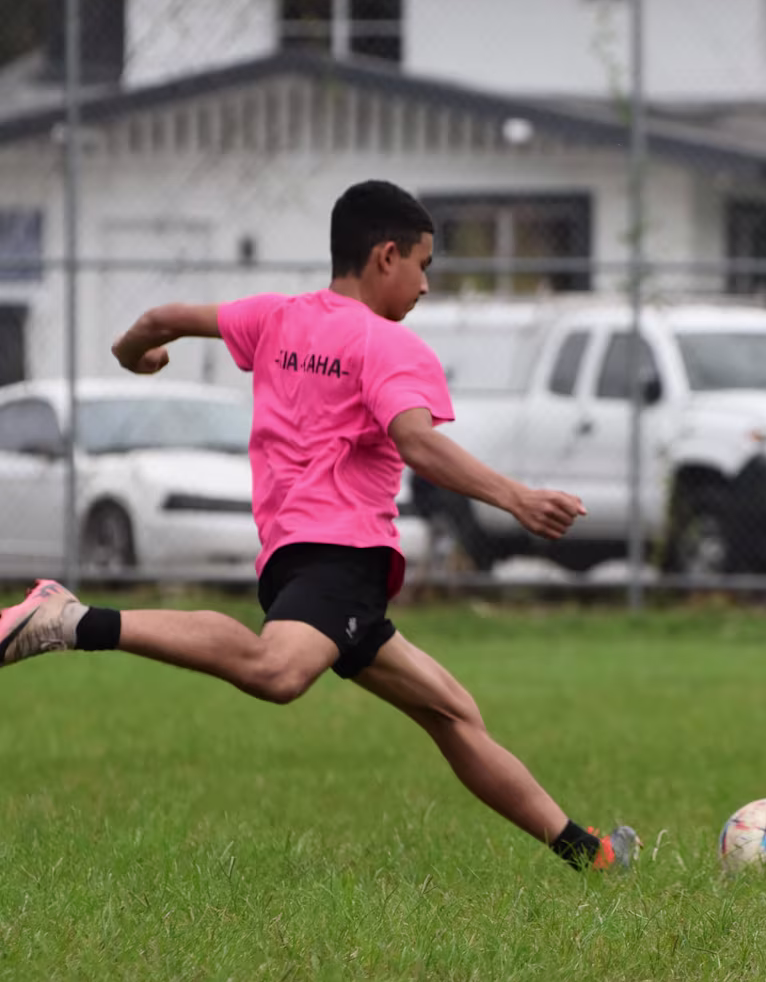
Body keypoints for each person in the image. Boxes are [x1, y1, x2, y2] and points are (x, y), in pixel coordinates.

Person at [0, 180, 638, 873]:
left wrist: (136, 357)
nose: (426, 286)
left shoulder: (277, 317)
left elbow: (161, 317)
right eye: (425, 265)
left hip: (300, 557)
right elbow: (419, 442)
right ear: (387, 256)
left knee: (453, 713)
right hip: (341, 553)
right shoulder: (391, 347)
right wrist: (516, 498)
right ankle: (70, 619)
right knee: (277, 671)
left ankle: (592, 855)